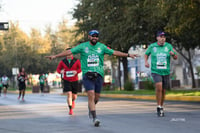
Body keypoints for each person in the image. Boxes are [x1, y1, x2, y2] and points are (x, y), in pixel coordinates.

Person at [46, 30, 138, 127]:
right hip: (87, 75)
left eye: (96, 36)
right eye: (93, 36)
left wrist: (128, 55)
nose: (95, 38)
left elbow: (114, 52)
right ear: (89, 37)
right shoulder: (83, 46)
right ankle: (94, 118)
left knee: (96, 97)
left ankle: (91, 107)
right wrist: (55, 56)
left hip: (98, 75)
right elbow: (69, 51)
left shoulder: (102, 47)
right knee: (91, 94)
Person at [144, 31, 178, 117]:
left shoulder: (169, 46)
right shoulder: (152, 46)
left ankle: (161, 106)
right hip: (156, 71)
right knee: (159, 87)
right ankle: (158, 106)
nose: (163, 38)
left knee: (163, 90)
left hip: (165, 71)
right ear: (157, 38)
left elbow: (175, 57)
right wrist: (146, 62)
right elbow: (146, 54)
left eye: (164, 37)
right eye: (161, 37)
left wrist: (173, 54)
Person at [56, 48, 82, 115]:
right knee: (69, 94)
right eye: (67, 54)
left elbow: (81, 68)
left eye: (70, 54)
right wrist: (60, 71)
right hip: (66, 80)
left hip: (75, 80)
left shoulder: (76, 61)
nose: (68, 55)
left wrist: (76, 71)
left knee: (74, 96)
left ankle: (73, 101)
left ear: (72, 54)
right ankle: (70, 109)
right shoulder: (63, 61)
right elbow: (58, 69)